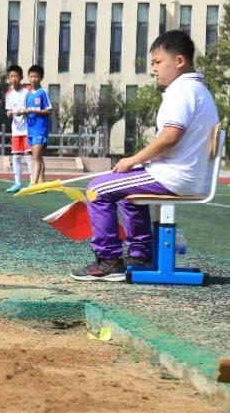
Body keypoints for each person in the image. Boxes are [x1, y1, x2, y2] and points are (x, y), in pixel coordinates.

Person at [72, 31, 218, 281]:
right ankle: (140, 255)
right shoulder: (198, 89)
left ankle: (108, 261)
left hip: (175, 176)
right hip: (185, 175)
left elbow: (170, 137)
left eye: (158, 62)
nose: (153, 69)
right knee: (127, 193)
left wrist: (133, 160)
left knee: (97, 189)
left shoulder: (182, 91)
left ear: (179, 61)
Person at [20, 64, 52, 187]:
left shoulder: (43, 92)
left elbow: (49, 111)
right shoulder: (28, 94)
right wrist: (19, 113)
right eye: (31, 76)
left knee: (36, 157)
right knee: (38, 157)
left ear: (41, 78)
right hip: (31, 130)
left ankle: (33, 183)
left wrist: (32, 111)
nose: (33, 79)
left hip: (40, 129)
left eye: (36, 77)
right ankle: (42, 183)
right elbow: (25, 111)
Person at [4, 64, 34, 193]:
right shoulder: (9, 94)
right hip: (16, 129)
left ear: (21, 77)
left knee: (29, 155)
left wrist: (26, 112)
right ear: (8, 79)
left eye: (16, 76)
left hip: (28, 128)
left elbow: (34, 107)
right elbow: (8, 110)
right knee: (16, 156)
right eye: (11, 76)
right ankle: (17, 183)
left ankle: (33, 182)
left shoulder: (28, 90)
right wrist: (9, 113)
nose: (14, 79)